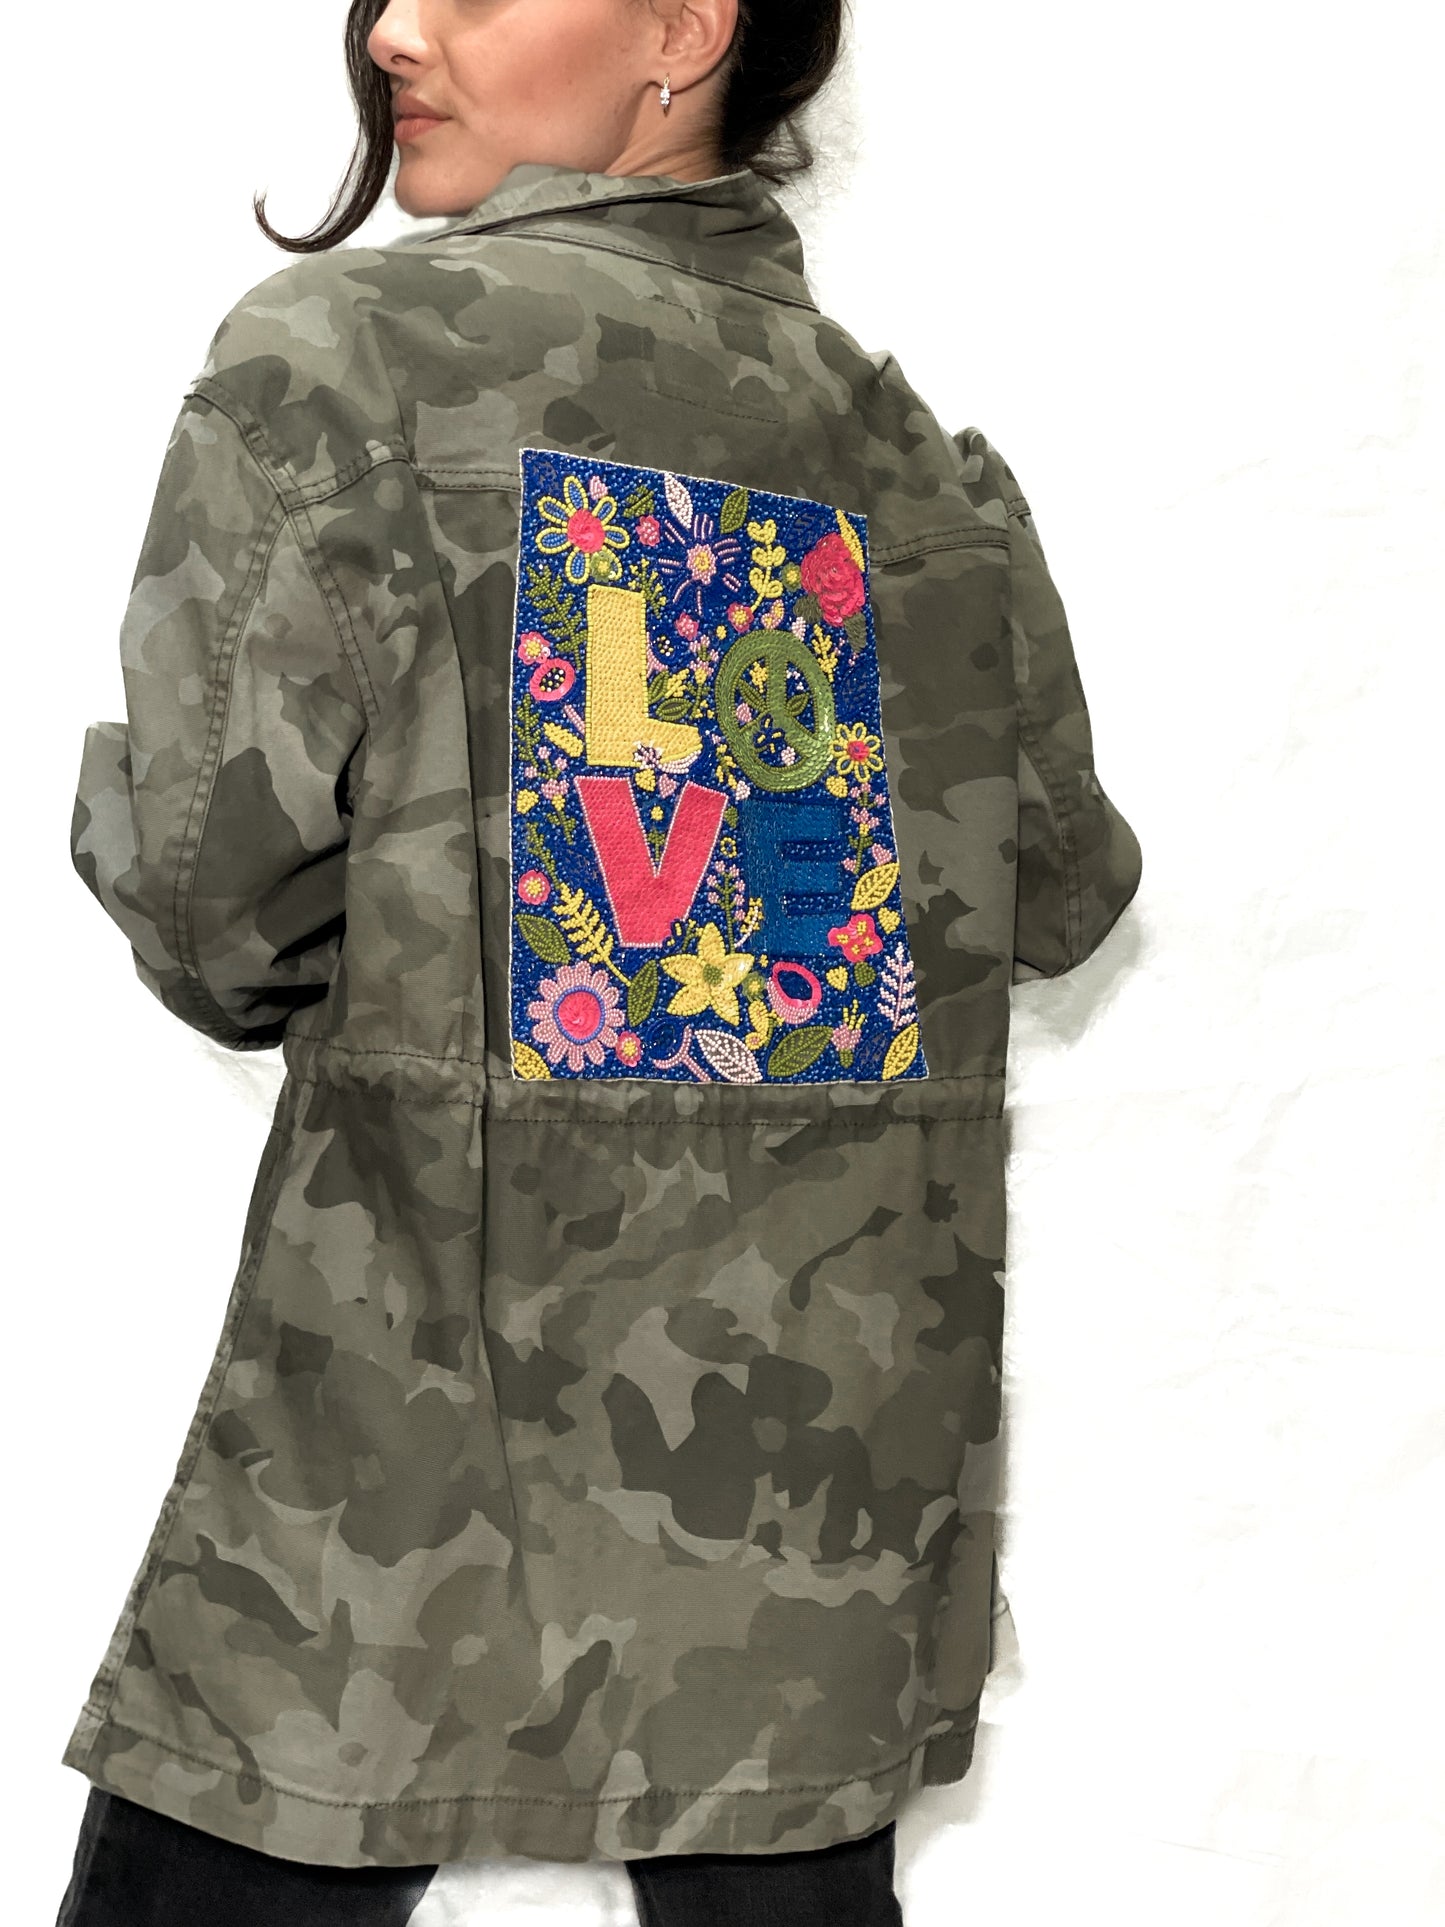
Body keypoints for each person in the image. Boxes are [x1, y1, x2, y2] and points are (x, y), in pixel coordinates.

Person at [56, 0, 1143, 1920]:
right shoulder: (914, 463)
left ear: (682, 27)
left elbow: (213, 914)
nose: (398, 30)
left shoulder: (344, 361)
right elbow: (1053, 895)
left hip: (392, 1481)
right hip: (810, 1496)